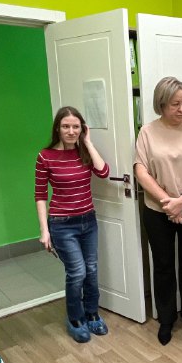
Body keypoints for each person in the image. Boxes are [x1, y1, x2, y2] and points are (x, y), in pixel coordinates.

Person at [134, 76, 182, 345]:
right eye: (175, 104)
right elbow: (141, 171)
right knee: (163, 266)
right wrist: (168, 202)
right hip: (158, 212)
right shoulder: (147, 132)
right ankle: (166, 319)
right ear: (161, 104)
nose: (181, 109)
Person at [34, 106, 110, 343]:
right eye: (66, 126)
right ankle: (75, 318)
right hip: (62, 225)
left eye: (76, 126)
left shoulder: (84, 153)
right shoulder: (45, 156)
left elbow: (103, 172)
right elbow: (40, 195)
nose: (71, 131)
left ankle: (92, 313)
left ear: (82, 129)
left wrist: (87, 142)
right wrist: (44, 230)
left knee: (92, 269)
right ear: (57, 128)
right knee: (77, 272)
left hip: (88, 221)